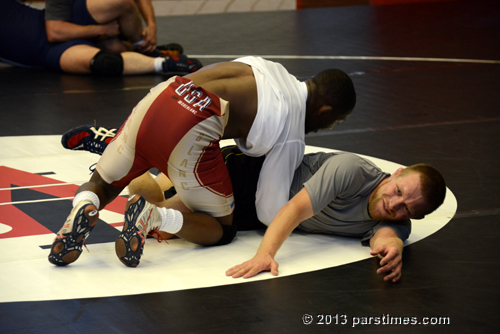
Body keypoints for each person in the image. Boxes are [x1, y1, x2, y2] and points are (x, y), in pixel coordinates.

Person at [48, 56, 357, 268]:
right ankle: (152, 216)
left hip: (161, 95)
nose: (324, 129)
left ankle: (81, 208)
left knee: (103, 183)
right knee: (223, 229)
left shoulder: (268, 67)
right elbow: (267, 212)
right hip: (191, 128)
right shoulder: (292, 130)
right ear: (325, 110)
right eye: (332, 123)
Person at [60, 128, 446, 283]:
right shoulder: (353, 171)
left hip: (254, 213)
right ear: (394, 175)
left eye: (404, 209)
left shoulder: (397, 221)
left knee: (217, 233)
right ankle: (126, 152)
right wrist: (265, 255)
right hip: (250, 175)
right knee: (159, 188)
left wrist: (393, 245)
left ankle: (147, 213)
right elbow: (294, 210)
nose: (393, 204)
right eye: (397, 192)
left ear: (414, 216)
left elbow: (388, 233)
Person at [0, 0, 201, 76]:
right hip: (49, 51)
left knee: (122, 4)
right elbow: (55, 34)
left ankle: (143, 47)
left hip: (63, 21)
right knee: (106, 61)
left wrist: (152, 25)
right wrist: (100, 30)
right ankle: (161, 63)